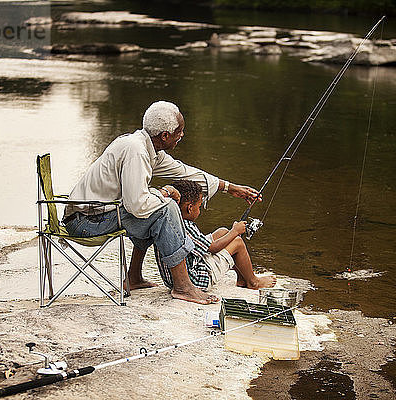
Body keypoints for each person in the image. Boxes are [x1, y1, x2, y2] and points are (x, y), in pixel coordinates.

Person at [63, 100, 261, 305]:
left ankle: (134, 278)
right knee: (166, 209)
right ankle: (183, 287)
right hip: (86, 223)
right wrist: (164, 193)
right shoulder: (136, 151)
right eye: (179, 131)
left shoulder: (147, 149)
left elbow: (185, 172)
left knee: (156, 208)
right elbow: (136, 205)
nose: (182, 135)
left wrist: (230, 188)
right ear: (164, 136)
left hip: (96, 215)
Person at [169, 179, 276, 290]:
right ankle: (253, 282)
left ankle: (242, 278)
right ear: (190, 208)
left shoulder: (172, 221)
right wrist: (235, 231)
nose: (200, 210)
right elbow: (212, 248)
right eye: (199, 206)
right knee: (237, 242)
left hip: (182, 271)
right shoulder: (185, 226)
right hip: (196, 280)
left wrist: (230, 233)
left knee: (223, 232)